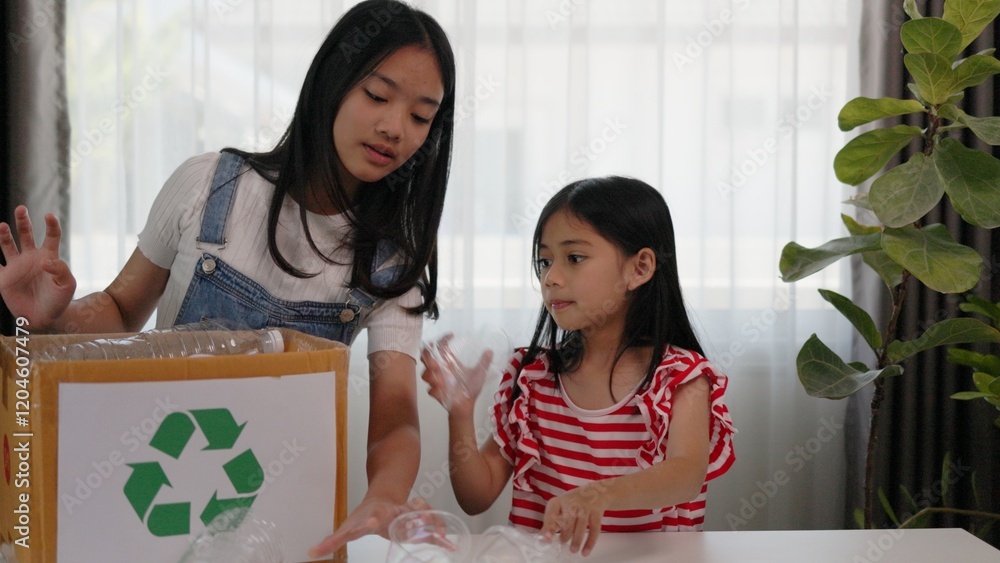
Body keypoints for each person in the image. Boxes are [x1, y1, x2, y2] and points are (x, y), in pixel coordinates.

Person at [0, 0, 455, 557]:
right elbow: (121, 310)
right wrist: (54, 320)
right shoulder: (208, 185)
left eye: (421, 115)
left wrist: (384, 495)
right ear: (333, 84)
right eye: (378, 96)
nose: (394, 128)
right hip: (148, 501)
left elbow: (393, 419)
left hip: (288, 523)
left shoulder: (393, 265)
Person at [421, 177, 736, 556]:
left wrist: (596, 496)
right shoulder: (532, 376)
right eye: (544, 260)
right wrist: (460, 411)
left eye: (574, 258)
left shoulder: (681, 377)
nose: (550, 277)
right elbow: (476, 496)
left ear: (640, 268)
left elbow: (685, 475)